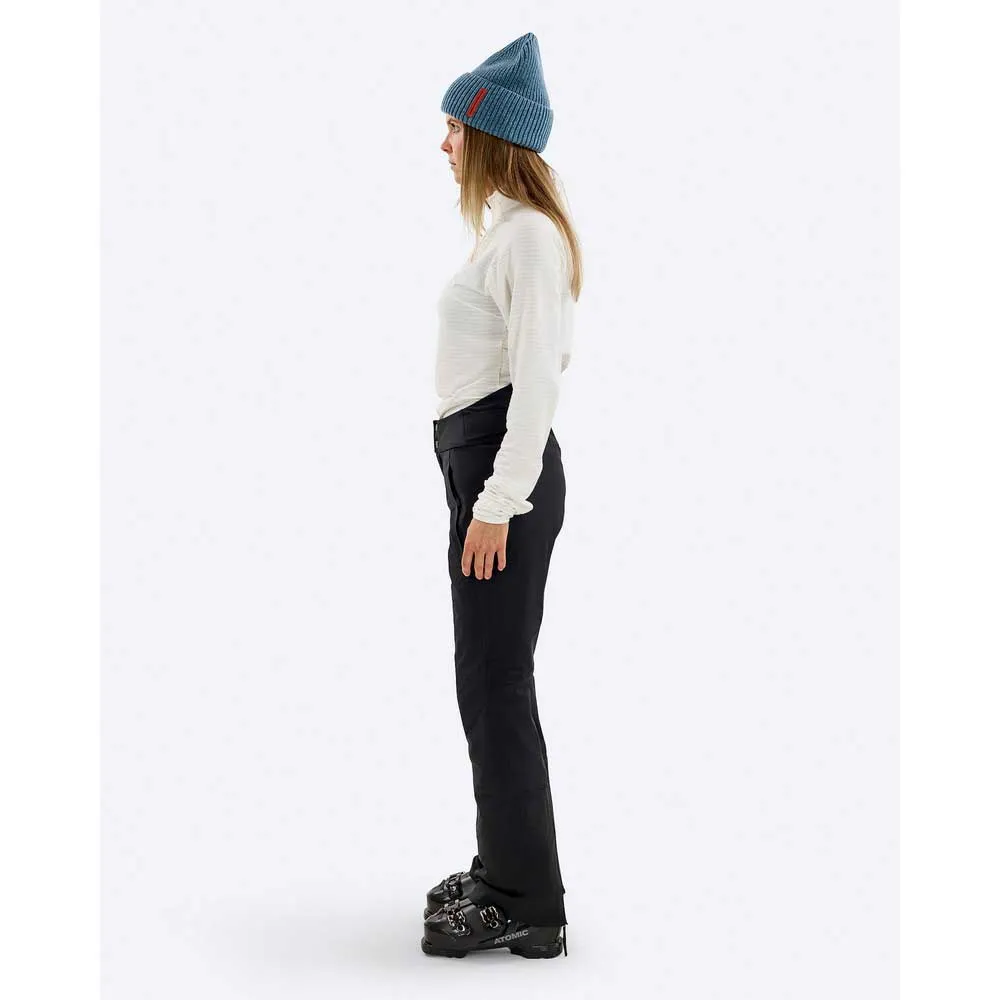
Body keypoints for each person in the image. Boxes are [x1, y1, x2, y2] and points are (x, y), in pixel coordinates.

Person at [421, 31, 583, 960]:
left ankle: (527, 899)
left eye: (454, 126)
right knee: (485, 680)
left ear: (489, 134)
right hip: (480, 468)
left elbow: (537, 385)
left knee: (495, 682)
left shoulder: (527, 239)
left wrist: (497, 504)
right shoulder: (508, 234)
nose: (443, 143)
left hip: (500, 478)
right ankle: (508, 868)